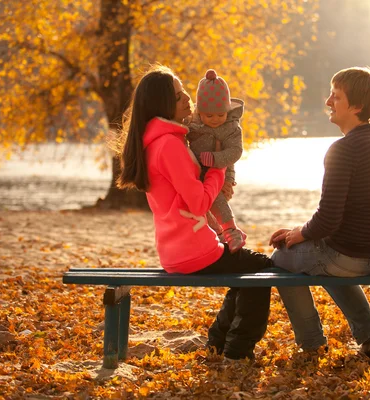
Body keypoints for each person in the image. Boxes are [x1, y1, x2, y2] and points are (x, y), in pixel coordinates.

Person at [116, 64, 272, 361]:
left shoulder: (161, 142)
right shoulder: (169, 147)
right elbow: (198, 203)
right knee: (261, 268)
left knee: (244, 267)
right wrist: (218, 169)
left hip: (177, 250)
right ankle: (237, 349)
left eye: (184, 90)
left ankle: (218, 341)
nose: (188, 97)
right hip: (192, 252)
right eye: (178, 96)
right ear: (162, 105)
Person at [268, 67, 370, 358]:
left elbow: (328, 219)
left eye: (336, 97)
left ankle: (312, 343)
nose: (328, 102)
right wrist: (303, 233)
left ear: (357, 106)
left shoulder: (343, 149)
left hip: (353, 257)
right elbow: (339, 218)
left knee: (281, 258)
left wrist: (298, 233)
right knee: (323, 254)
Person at [187, 69, 246, 253]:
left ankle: (231, 231)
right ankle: (220, 233)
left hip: (222, 170)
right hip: (199, 173)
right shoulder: (192, 125)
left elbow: (235, 151)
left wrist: (215, 159)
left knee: (218, 200)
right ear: (199, 111)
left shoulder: (230, 128)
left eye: (220, 115)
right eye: (209, 116)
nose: (215, 120)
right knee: (204, 207)